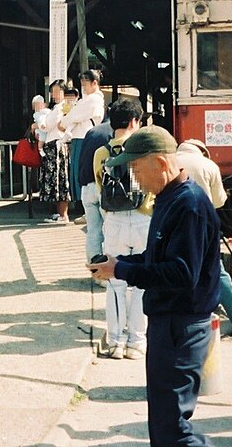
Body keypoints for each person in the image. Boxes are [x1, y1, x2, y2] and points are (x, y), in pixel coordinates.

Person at [89, 126, 221, 447]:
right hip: (168, 322)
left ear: (161, 163)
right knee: (163, 424)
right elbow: (158, 256)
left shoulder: (189, 204)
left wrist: (122, 269)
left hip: (183, 325)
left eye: (136, 168)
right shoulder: (167, 197)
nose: (133, 177)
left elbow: (181, 273)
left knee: (172, 429)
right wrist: (120, 264)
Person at [91, 97, 153, 359]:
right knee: (141, 283)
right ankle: (136, 344)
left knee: (114, 283)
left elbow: (98, 187)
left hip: (114, 221)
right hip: (143, 218)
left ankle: (116, 342)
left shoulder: (102, 153)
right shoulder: (144, 147)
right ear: (135, 121)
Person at [176, 139, 232, 335]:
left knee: (177, 270)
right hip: (202, 224)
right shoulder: (208, 165)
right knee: (216, 272)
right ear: (202, 151)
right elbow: (219, 201)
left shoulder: (170, 161)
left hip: (173, 223)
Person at [57, 69, 105, 219]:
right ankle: (86, 208)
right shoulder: (92, 99)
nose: (83, 87)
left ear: (94, 83)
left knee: (81, 172)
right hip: (83, 135)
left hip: (83, 136)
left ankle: (86, 208)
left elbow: (73, 116)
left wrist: (63, 123)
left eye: (85, 83)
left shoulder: (92, 99)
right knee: (83, 171)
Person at [76, 109, 113, 265]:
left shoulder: (92, 131)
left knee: (93, 231)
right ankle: (109, 269)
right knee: (111, 230)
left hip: (87, 186)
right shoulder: (115, 133)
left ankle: (94, 267)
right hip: (103, 186)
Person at [38, 80, 72, 223]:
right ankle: (60, 214)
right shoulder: (61, 107)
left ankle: (63, 215)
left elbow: (46, 126)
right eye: (53, 91)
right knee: (57, 179)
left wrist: (39, 122)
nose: (54, 94)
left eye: (58, 91)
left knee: (58, 179)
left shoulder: (61, 107)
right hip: (56, 145)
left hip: (56, 145)